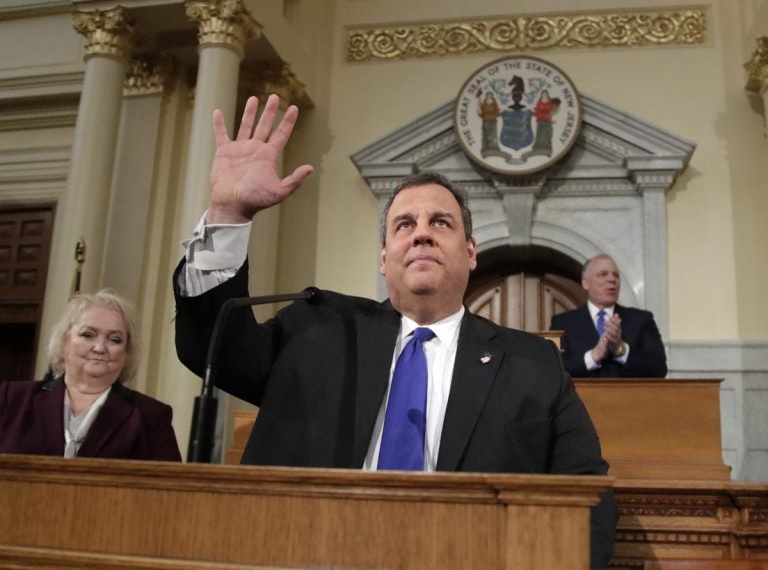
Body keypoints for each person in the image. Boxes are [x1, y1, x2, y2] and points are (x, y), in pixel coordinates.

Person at [173, 94, 617, 568]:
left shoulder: (534, 365)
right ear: (384, 258)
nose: (421, 233)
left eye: (439, 223)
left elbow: (588, 497)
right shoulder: (317, 328)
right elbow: (214, 349)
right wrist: (228, 215)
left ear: (470, 252)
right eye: (404, 224)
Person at [0, 289, 182, 461]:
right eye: (88, 335)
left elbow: (169, 490)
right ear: (64, 341)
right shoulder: (12, 399)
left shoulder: (151, 416)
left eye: (114, 339)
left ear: (126, 352)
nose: (100, 348)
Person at [550, 254, 668, 378]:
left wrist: (621, 350)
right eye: (603, 274)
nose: (612, 279)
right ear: (585, 283)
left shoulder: (642, 320)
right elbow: (553, 371)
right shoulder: (562, 323)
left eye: (616, 275)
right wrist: (593, 356)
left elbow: (659, 369)